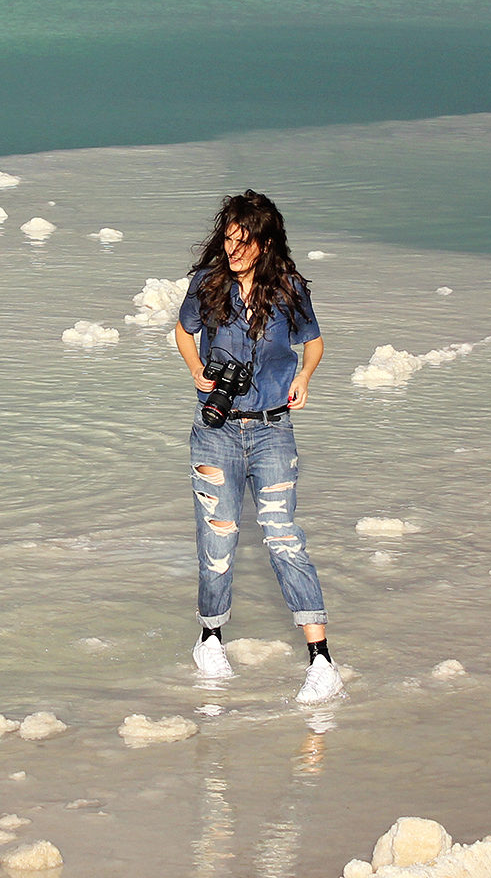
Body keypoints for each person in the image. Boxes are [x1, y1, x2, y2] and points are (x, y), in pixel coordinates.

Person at [173, 191, 340, 706]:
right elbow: (183, 332)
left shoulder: (288, 289)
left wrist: (306, 377)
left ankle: (322, 661)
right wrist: (198, 372)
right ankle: (210, 641)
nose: (233, 250)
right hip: (216, 433)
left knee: (284, 536)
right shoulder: (207, 284)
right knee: (217, 544)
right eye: (227, 239)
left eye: (243, 241)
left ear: (264, 242)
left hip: (273, 428)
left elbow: (313, 341)